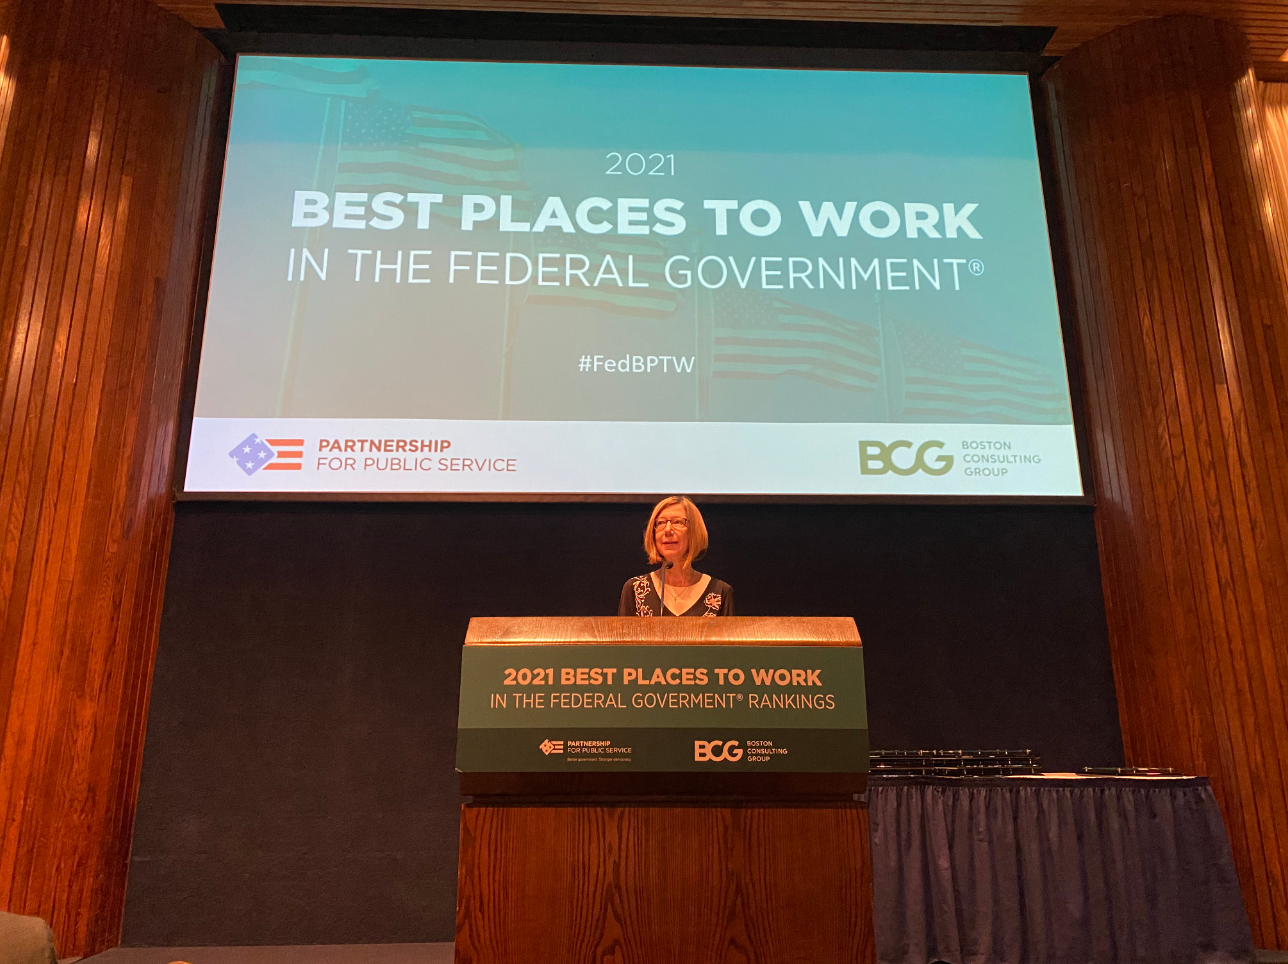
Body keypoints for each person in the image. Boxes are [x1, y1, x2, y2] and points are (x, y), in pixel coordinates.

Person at [618, 496, 734, 617]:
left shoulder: (719, 592)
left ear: (694, 531)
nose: (668, 530)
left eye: (677, 522)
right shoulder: (635, 589)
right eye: (661, 523)